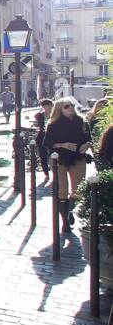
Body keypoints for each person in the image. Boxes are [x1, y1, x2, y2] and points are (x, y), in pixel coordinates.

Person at [47, 98, 92, 234]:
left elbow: (89, 138)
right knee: (62, 190)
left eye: (72, 105)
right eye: (67, 106)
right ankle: (65, 222)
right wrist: (63, 145)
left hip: (78, 157)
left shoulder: (81, 122)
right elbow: (47, 143)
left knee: (78, 190)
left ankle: (70, 212)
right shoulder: (53, 124)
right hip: (59, 158)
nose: (71, 108)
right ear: (60, 109)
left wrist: (87, 145)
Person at [35, 99, 54, 182]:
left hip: (53, 138)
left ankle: (54, 173)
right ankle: (46, 174)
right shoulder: (40, 115)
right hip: (42, 137)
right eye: (45, 105)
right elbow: (38, 124)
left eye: (49, 105)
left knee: (53, 156)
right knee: (43, 156)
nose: (48, 107)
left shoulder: (55, 115)